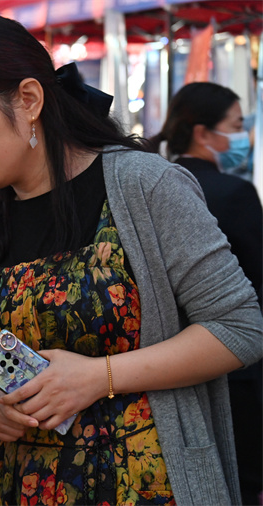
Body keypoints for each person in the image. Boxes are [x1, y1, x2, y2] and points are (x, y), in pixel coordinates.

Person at [0, 15, 262, 506]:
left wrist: (99, 376)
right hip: (21, 485)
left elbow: (239, 327)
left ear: (29, 99)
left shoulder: (144, 187)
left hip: (148, 482)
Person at [151, 81, 262, 505]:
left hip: (164, 365)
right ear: (202, 132)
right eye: (236, 125)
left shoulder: (150, 185)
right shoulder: (230, 192)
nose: (242, 136)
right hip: (233, 367)